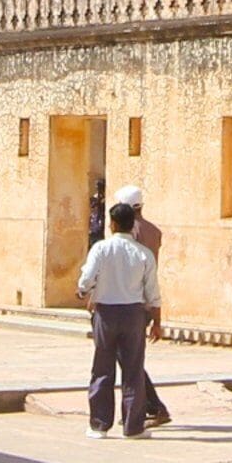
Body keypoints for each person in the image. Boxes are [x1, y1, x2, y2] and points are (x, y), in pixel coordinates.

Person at [78, 187, 172, 439]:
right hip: (134, 313)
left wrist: (83, 292)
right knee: (133, 370)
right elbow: (153, 291)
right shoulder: (144, 254)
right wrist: (157, 322)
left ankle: (99, 425)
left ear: (112, 223)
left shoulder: (101, 249)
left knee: (102, 369)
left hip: (106, 312)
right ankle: (133, 426)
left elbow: (87, 278)